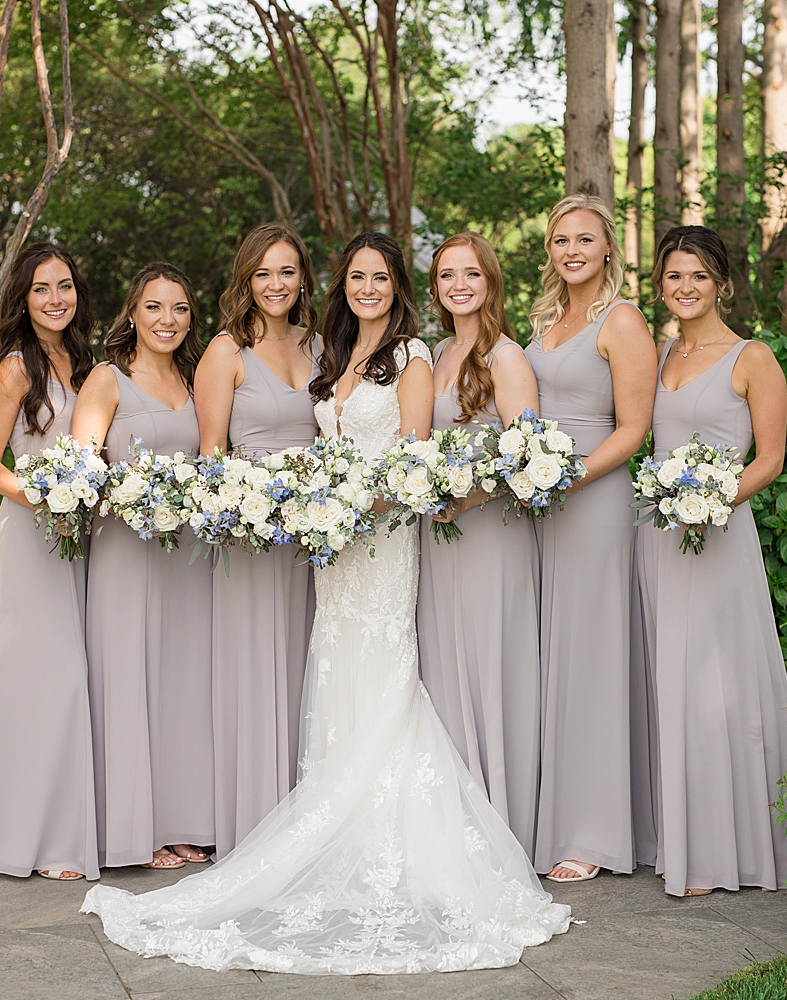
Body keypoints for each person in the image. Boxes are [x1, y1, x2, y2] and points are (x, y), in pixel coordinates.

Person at [82, 232, 571, 974]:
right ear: (339, 285)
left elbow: (409, 464)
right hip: (327, 548)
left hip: (377, 541)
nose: (367, 288)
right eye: (356, 277)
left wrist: (339, 502)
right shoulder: (332, 359)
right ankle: (331, 824)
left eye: (380, 277)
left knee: (384, 675)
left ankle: (383, 839)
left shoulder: (406, 358)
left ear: (398, 286)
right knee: (337, 672)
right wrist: (319, 505)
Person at [635, 225, 787, 897]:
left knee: (717, 684)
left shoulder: (751, 356)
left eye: (697, 276)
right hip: (659, 539)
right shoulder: (661, 351)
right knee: (671, 680)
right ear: (660, 286)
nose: (685, 287)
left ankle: (725, 851)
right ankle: (676, 837)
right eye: (674, 276)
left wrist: (712, 499)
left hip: (720, 534)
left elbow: (771, 459)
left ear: (722, 284)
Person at [524, 194, 659, 883]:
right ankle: (548, 817)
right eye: (559, 240)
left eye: (584, 239)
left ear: (608, 249)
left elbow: (634, 429)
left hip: (595, 499)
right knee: (551, 657)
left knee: (592, 658)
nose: (571, 250)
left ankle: (594, 833)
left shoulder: (622, 320)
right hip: (537, 505)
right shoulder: (544, 321)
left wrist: (567, 479)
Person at [72, 262, 213, 873]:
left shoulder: (195, 377)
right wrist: (126, 496)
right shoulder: (107, 380)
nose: (167, 320)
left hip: (186, 555)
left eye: (179, 309)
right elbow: (79, 472)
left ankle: (183, 821)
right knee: (130, 677)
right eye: (154, 307)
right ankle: (135, 828)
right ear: (132, 313)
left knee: (183, 683)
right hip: (126, 551)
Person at [0, 242, 100, 882]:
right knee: (43, 682)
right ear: (23, 299)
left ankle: (70, 830)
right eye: (42, 289)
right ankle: (35, 841)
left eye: (65, 286)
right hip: (31, 536)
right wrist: (45, 499)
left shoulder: (83, 361)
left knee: (76, 679)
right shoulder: (18, 367)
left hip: (83, 538)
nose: (56, 299)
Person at [193, 223, 321, 857]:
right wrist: (244, 508)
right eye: (265, 273)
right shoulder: (226, 352)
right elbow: (211, 454)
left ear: (302, 279)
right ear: (246, 278)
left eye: (288, 272)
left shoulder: (320, 345)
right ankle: (252, 823)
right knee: (254, 671)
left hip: (315, 542)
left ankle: (305, 817)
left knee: (305, 669)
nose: (277, 284)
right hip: (249, 539)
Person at [416, 232, 543, 857]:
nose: (458, 285)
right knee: (447, 667)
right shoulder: (439, 353)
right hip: (440, 538)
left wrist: (468, 494)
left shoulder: (506, 355)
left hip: (490, 531)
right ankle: (457, 817)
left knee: (491, 662)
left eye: (470, 273)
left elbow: (528, 456)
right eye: (446, 275)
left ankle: (503, 820)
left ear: (490, 281)